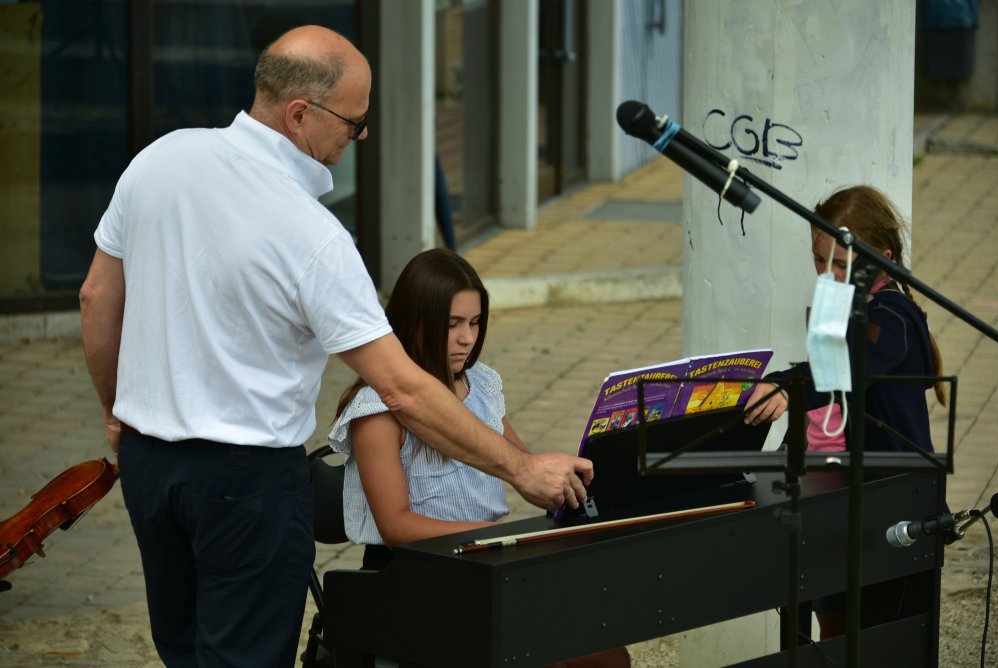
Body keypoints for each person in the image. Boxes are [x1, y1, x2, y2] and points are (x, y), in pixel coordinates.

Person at [79, 25, 592, 667]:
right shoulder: (313, 233)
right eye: (354, 123)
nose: (361, 136)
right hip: (248, 480)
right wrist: (521, 470)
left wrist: (114, 412)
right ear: (299, 115)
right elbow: (400, 386)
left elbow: (97, 299)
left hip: (152, 466)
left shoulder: (160, 158)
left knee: (184, 652)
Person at [330, 248, 630, 668]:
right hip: (413, 582)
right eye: (451, 324)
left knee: (605, 653)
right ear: (413, 322)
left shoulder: (481, 385)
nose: (467, 338)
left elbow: (523, 465)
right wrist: (495, 539)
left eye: (474, 323)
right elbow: (395, 527)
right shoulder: (377, 409)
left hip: (485, 568)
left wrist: (576, 480)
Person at [742, 184, 947, 639]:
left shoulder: (894, 315)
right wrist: (778, 388)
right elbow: (823, 376)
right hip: (840, 490)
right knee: (832, 619)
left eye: (841, 262)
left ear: (883, 257)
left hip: (893, 495)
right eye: (819, 259)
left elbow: (852, 367)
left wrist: (791, 389)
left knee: (878, 634)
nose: (827, 273)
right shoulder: (844, 303)